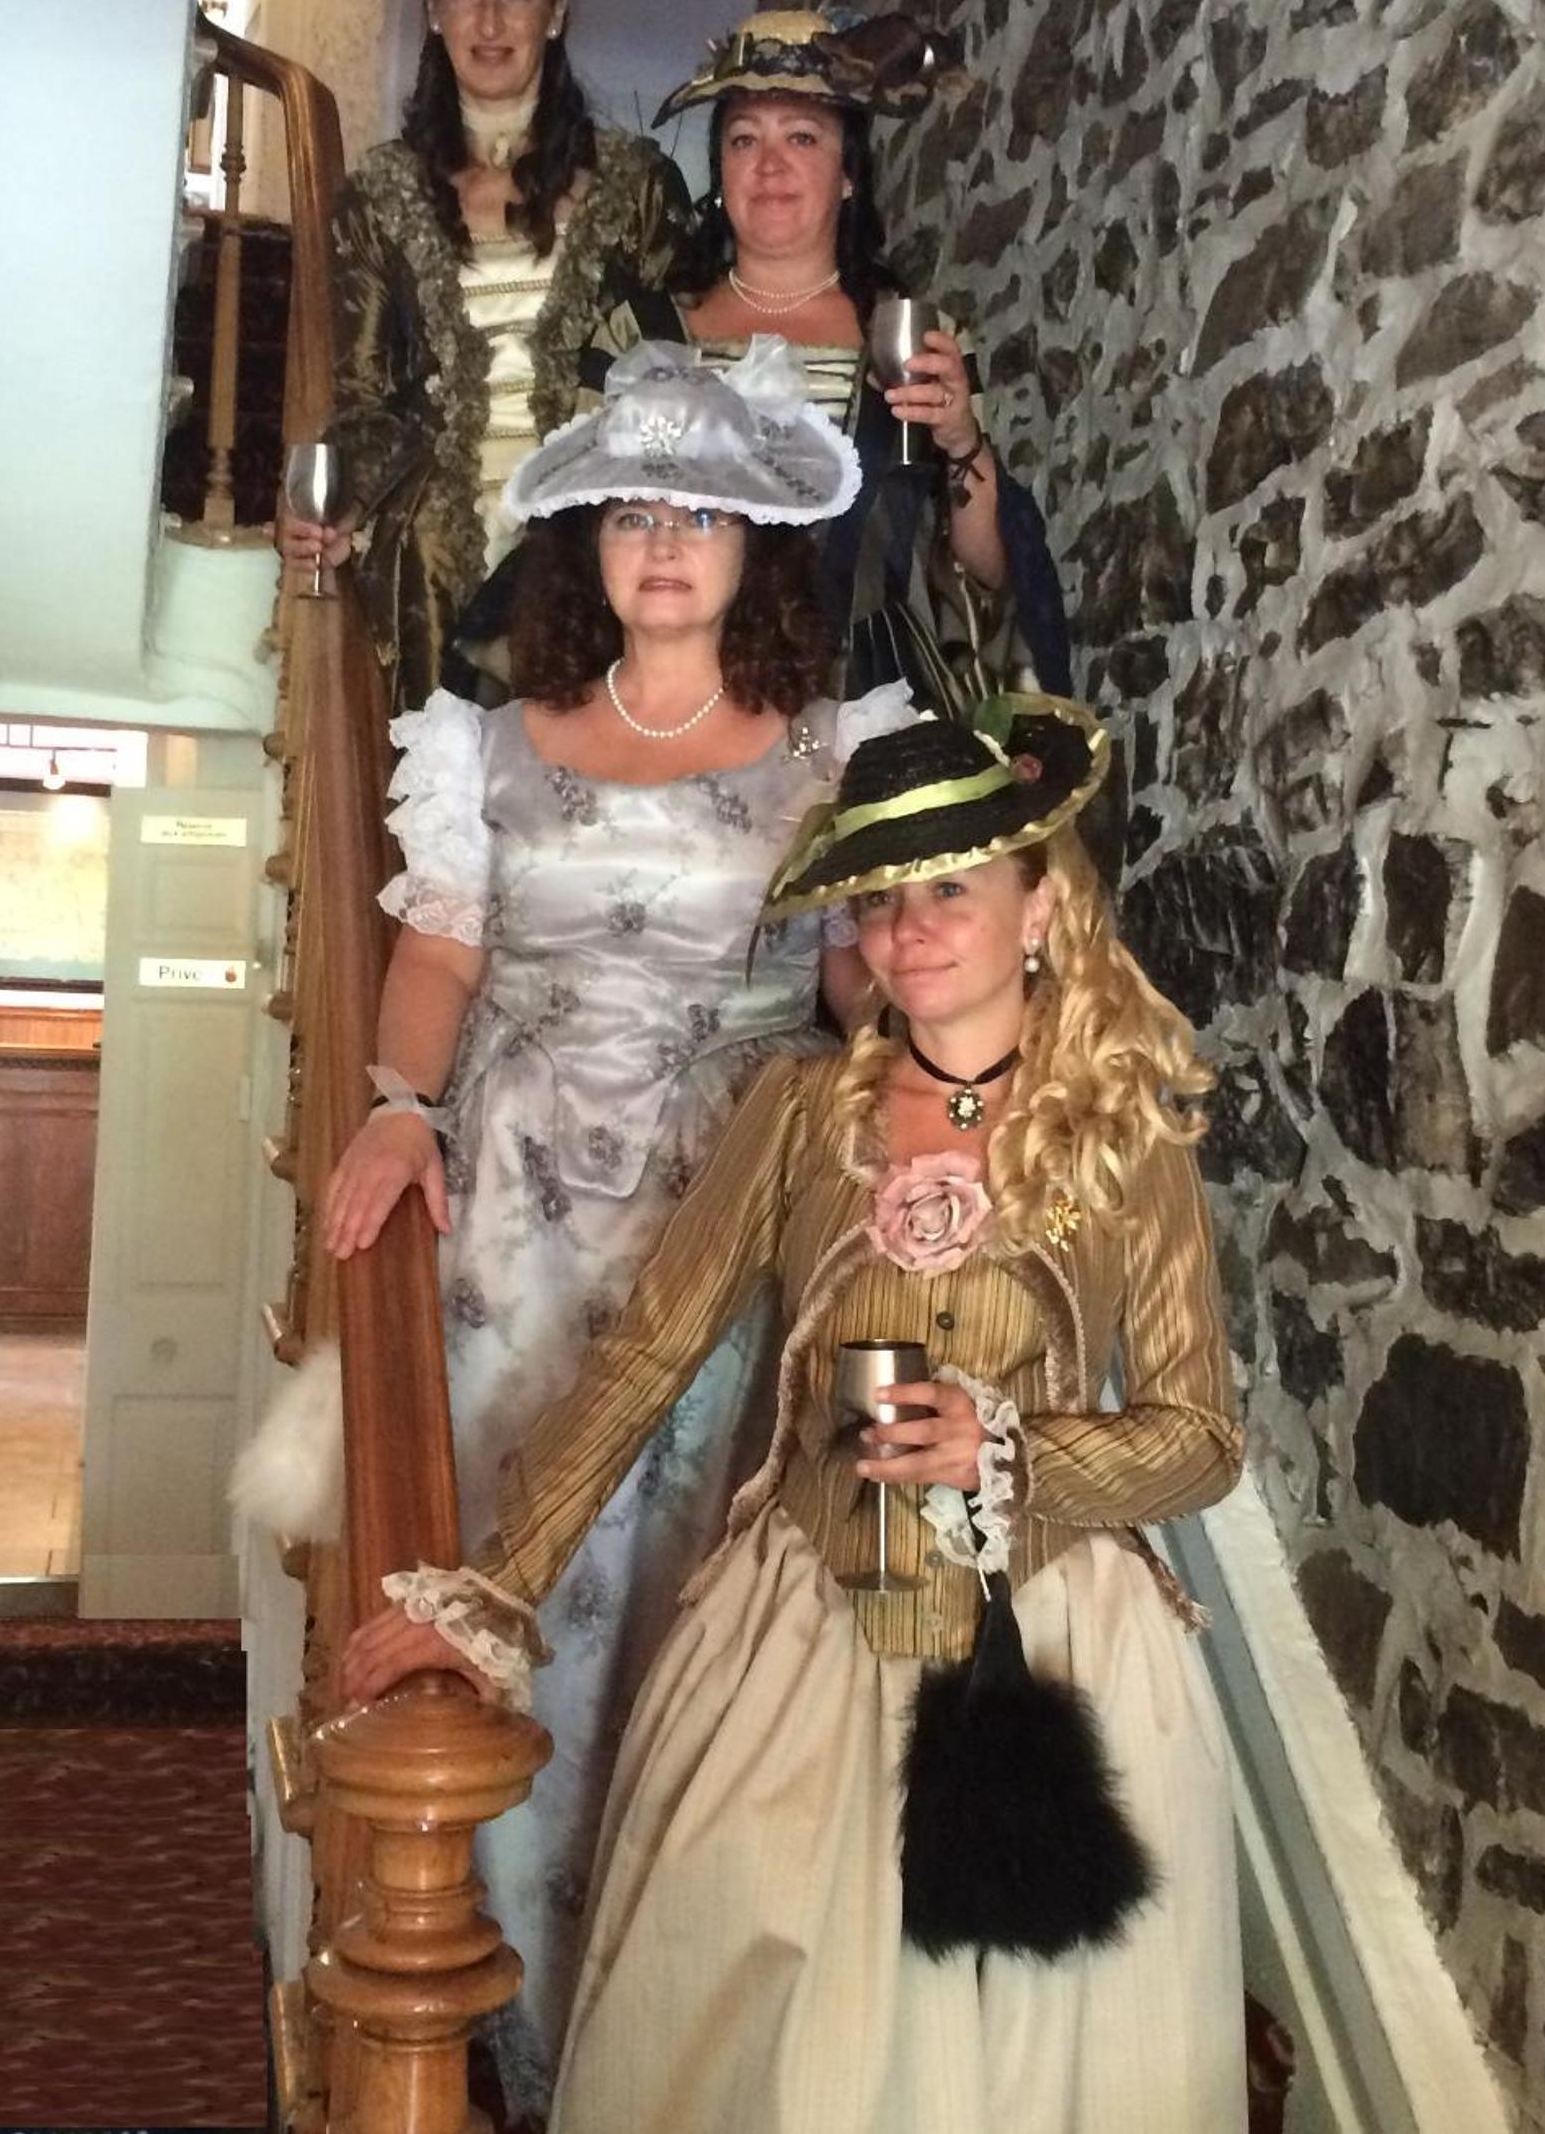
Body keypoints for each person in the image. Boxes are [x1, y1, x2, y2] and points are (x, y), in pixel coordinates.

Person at [345, 695, 1247, 2134]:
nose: (909, 931)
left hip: (1053, 1647)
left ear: (1038, 911)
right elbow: (648, 1355)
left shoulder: (1127, 1131)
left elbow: (1201, 1439)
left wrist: (1014, 1453)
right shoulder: (797, 1108)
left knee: (1026, 2065)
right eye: (880, 902)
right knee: (756, 2013)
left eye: (950, 891)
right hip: (803, 1625)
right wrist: (495, 1587)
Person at [268, 339, 913, 2119]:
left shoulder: (835, 751)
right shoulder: (483, 745)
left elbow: (857, 985)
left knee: (685, 1599)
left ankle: (668, 2022)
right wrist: (395, 1108)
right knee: (506, 1560)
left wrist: (924, 1085)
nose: (665, 545)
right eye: (635, 515)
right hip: (517, 1217)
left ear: (752, 549)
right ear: (590, 548)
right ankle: (507, 2009)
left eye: (699, 516)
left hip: (730, 1218)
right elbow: (442, 953)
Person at [467, 6, 1073, 708]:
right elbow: (577, 542)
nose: (770, 165)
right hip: (664, 700)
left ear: (848, 173)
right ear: (721, 168)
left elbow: (987, 579)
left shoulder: (911, 339)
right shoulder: (640, 333)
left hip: (853, 705)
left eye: (802, 136)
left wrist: (962, 440)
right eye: (744, 139)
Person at [276, 0, 700, 709]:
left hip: (596, 537)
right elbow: (365, 399)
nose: (491, 17)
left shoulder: (638, 185)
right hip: (436, 554)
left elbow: (679, 378)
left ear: (557, 11)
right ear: (434, 10)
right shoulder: (381, 194)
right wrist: (330, 500)